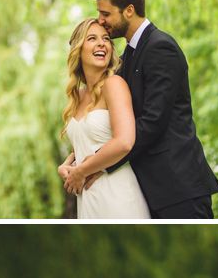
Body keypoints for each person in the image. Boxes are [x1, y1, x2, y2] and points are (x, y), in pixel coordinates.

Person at [85, 0, 218, 219]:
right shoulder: (126, 58)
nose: (101, 20)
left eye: (106, 14)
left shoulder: (161, 48)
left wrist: (102, 163)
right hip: (149, 191)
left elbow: (153, 122)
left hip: (179, 188)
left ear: (129, 10)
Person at [57, 15, 152, 221]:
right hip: (88, 198)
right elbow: (89, 143)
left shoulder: (114, 85)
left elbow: (124, 141)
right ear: (78, 49)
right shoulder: (77, 96)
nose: (101, 43)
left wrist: (80, 171)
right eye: (92, 38)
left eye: (106, 39)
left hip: (117, 192)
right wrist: (67, 166)